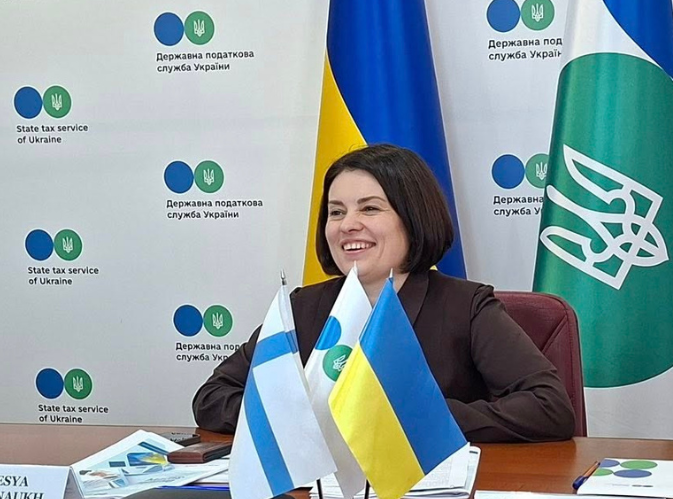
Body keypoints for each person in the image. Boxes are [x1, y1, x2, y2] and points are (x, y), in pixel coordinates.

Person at [194, 143, 576, 443]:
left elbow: (549, 407)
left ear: (413, 218)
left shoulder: (467, 306)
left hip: (429, 497)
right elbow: (213, 397)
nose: (348, 225)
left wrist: (410, 417)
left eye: (370, 209)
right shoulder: (302, 308)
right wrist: (303, 415)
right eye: (336, 212)